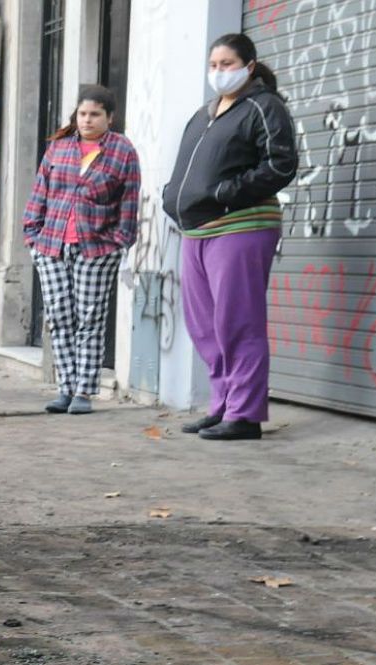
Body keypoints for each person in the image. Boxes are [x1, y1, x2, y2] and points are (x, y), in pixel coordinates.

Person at [163, 33, 297, 440]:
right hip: (195, 230)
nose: (218, 72)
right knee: (205, 326)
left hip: (241, 226)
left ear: (248, 67)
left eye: (227, 64)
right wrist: (174, 198)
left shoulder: (264, 107)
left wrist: (225, 192)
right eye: (214, 65)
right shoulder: (205, 113)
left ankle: (245, 414)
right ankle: (222, 405)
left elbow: (281, 164)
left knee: (238, 322)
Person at [23, 85, 141, 415]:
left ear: (109, 117)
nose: (87, 120)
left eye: (95, 115)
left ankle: (83, 393)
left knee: (90, 318)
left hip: (97, 248)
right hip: (51, 245)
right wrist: (31, 236)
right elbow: (39, 193)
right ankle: (64, 388)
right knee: (59, 317)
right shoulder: (58, 149)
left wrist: (119, 242)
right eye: (83, 114)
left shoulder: (122, 151)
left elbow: (129, 202)